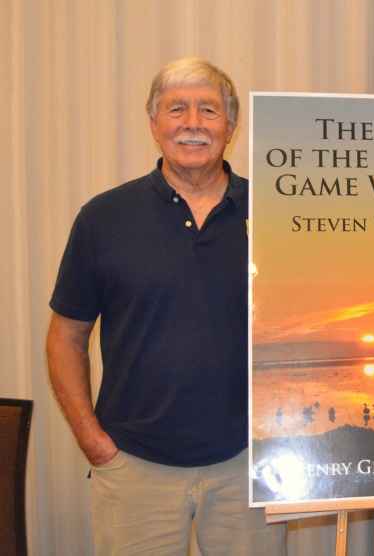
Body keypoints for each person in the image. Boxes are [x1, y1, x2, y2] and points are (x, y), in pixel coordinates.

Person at [46, 57, 286, 555]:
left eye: (209, 110)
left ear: (231, 125)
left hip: (250, 467)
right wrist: (94, 442)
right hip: (134, 468)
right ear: (155, 125)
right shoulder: (103, 218)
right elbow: (65, 338)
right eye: (177, 109)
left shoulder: (277, 214)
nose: (193, 123)